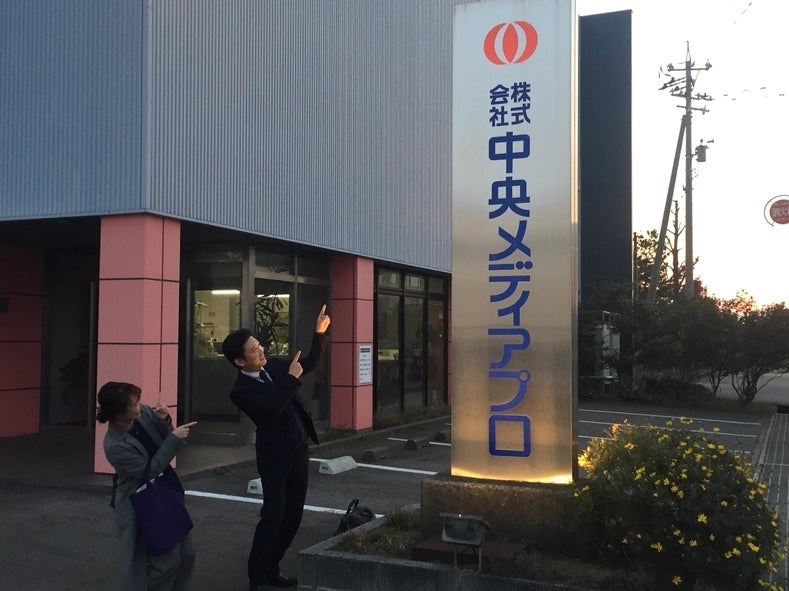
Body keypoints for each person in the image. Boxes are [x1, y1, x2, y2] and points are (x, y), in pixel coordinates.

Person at [222, 304, 331, 590]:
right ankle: (257, 577)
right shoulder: (240, 391)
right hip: (274, 458)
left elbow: (310, 362)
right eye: (254, 350)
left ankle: (273, 567)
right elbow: (272, 409)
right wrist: (292, 379)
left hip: (298, 450)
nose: (261, 351)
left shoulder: (273, 366)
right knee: (273, 517)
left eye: (259, 345)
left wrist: (319, 333)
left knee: (293, 516)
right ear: (239, 361)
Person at [97, 381, 197, 591]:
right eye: (134, 404)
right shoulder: (114, 445)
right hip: (145, 500)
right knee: (166, 563)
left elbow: (163, 437)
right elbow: (148, 471)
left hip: (166, 490)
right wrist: (174, 439)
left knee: (187, 555)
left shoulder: (142, 414)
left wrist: (163, 420)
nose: (140, 406)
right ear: (119, 413)